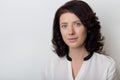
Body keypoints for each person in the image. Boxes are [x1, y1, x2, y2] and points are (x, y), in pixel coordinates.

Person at [41, 0, 119, 80]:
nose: (70, 32)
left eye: (77, 24)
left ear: (88, 27)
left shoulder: (107, 66)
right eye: (64, 26)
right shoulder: (51, 67)